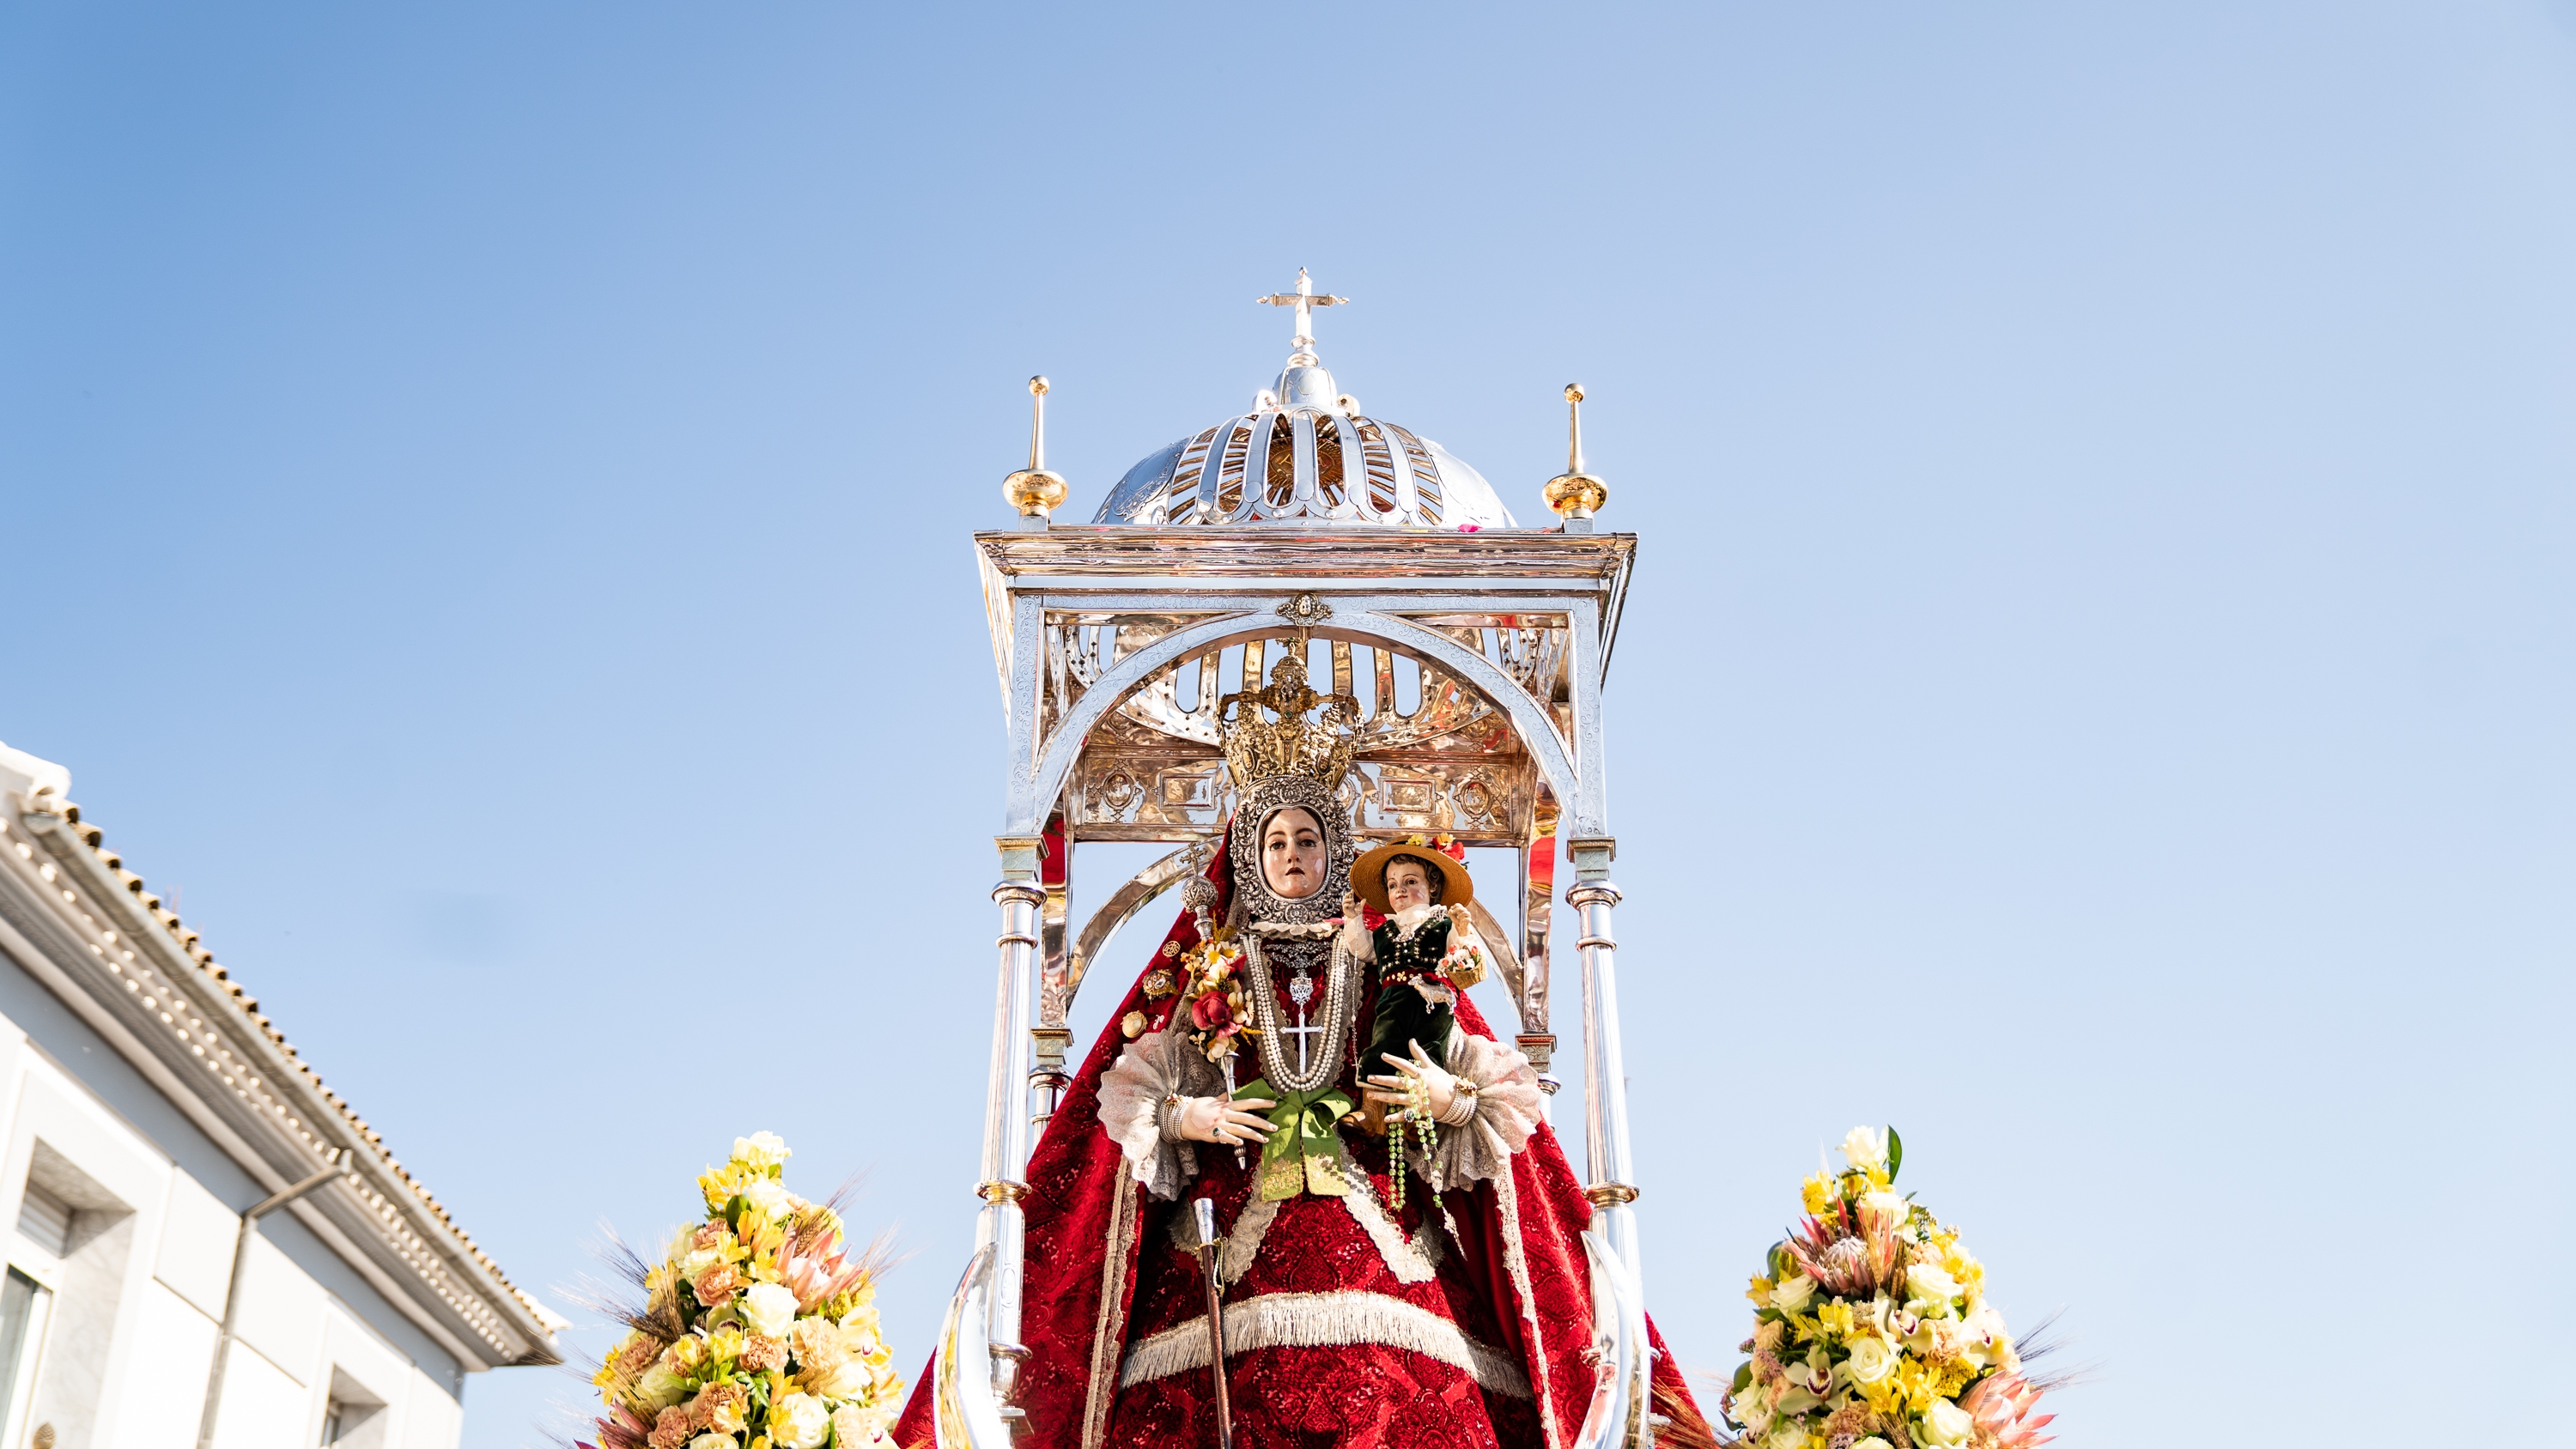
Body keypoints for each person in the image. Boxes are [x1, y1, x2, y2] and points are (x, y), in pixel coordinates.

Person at [893, 661, 1704, 1449]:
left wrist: (1448, 1101)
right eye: (1274, 839)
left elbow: (1478, 1083)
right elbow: (1129, 1089)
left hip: (1384, 1239)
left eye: (1308, 840)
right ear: (1248, 853)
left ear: (1333, 853)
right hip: (1221, 1249)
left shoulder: (1387, 959)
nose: (1290, 854)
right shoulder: (1213, 966)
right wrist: (1188, 1115)